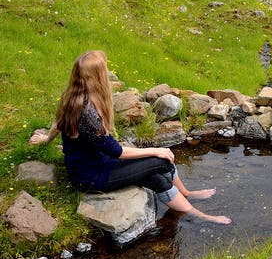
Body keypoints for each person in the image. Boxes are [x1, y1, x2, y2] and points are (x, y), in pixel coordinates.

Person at [30, 50, 231, 225]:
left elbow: (58, 122)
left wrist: (46, 139)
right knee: (161, 160)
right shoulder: (88, 112)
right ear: (98, 76)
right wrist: (156, 150)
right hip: (92, 177)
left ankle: (189, 202)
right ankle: (197, 211)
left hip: (92, 167)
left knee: (155, 177)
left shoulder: (72, 96)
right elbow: (116, 151)